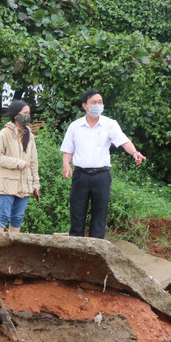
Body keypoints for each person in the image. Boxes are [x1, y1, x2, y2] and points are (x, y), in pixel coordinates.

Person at [60, 89, 145, 239]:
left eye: (100, 102)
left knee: (99, 215)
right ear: (85, 106)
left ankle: (96, 248)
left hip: (101, 176)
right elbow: (68, 150)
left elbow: (124, 141)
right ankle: (75, 248)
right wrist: (66, 164)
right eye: (94, 102)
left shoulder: (109, 124)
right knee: (77, 214)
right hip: (80, 176)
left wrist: (135, 153)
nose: (98, 105)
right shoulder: (75, 126)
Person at [0, 100, 40, 233]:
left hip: (25, 184)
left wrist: (36, 184)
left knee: (17, 217)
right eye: (25, 113)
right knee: (3, 216)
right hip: (7, 184)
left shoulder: (29, 135)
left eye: (29, 113)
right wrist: (18, 163)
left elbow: (34, 162)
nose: (28, 116)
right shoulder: (4, 133)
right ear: (15, 115)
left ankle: (13, 244)